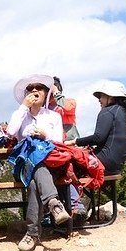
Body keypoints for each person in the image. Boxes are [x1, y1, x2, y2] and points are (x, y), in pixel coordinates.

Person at [5, 74, 70, 251]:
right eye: (30, 88)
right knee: (33, 160)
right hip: (24, 166)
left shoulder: (53, 116)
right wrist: (23, 107)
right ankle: (54, 204)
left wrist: (45, 135)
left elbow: (59, 143)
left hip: (50, 165)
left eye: (39, 87)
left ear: (46, 93)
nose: (34, 90)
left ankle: (32, 233)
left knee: (35, 183)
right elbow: (10, 132)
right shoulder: (20, 115)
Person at [66, 80, 126, 175]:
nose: (99, 99)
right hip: (116, 167)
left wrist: (74, 141)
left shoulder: (107, 111)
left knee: (63, 163)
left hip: (102, 163)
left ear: (111, 96)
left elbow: (98, 138)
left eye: (101, 96)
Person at [49, 76, 85, 215]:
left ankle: (76, 206)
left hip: (71, 149)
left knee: (67, 169)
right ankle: (54, 211)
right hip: (54, 150)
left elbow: (69, 108)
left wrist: (57, 93)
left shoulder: (68, 102)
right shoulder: (43, 109)